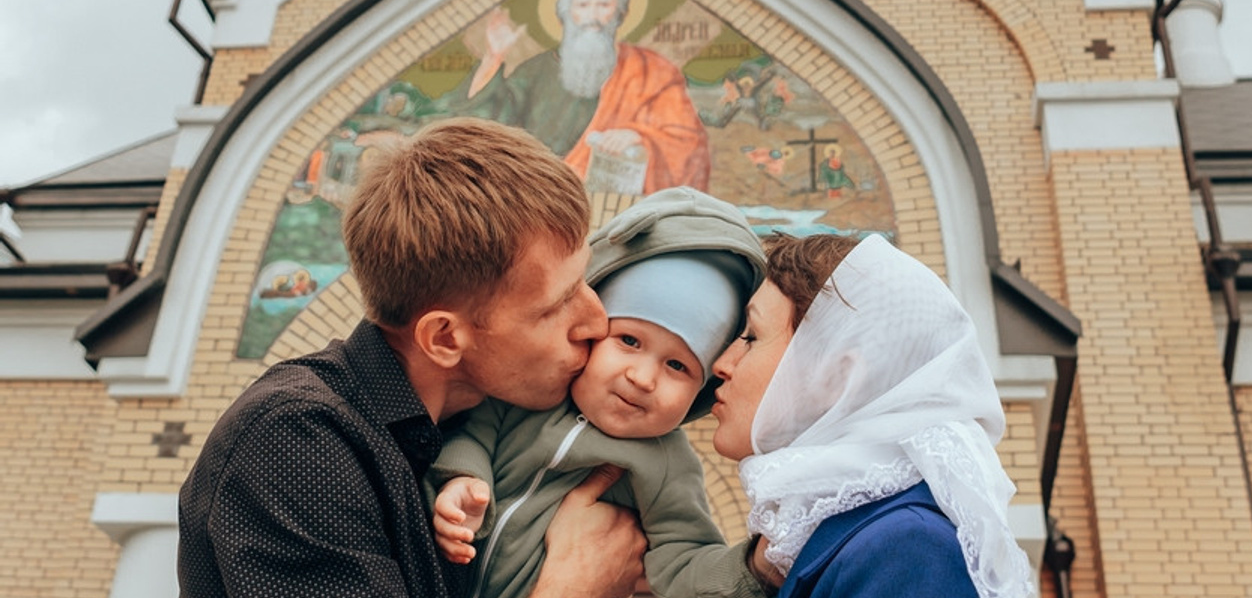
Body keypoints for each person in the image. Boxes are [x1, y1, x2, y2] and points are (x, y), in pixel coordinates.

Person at [177, 117, 647, 598]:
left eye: (585, 281)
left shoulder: (484, 425)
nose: (597, 322)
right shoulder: (293, 442)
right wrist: (575, 588)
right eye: (555, 306)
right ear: (444, 338)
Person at [429, 187, 768, 598]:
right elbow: (469, 433)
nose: (643, 378)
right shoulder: (530, 397)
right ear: (592, 331)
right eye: (628, 340)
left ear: (700, 391)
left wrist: (756, 569)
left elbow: (684, 557)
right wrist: (464, 478)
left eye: (677, 366)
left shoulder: (666, 464)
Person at [711, 232, 1036, 598]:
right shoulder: (830, 542)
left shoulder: (908, 550)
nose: (721, 364)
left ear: (835, 376)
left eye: (751, 336)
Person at [457, 0, 710, 193]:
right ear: (566, 16)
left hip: (619, 209)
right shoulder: (535, 70)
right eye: (583, 5)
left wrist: (639, 136)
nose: (593, 15)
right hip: (545, 202)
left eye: (603, 5)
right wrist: (493, 57)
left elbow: (688, 142)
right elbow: (487, 124)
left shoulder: (652, 70)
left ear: (620, 14)